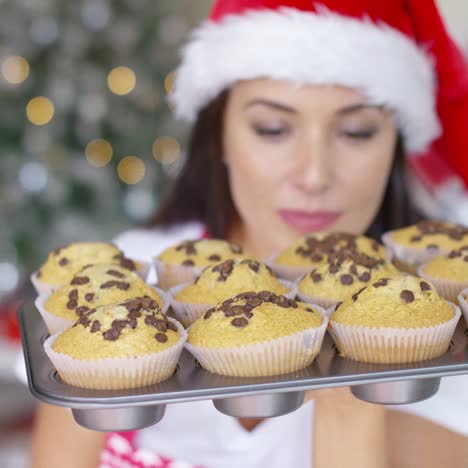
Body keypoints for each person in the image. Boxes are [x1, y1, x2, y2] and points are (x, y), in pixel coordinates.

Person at [30, 1, 468, 467]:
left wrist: (357, 378)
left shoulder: (436, 341)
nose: (314, 176)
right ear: (218, 135)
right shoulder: (117, 289)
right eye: (272, 128)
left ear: (395, 147)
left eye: (357, 132)